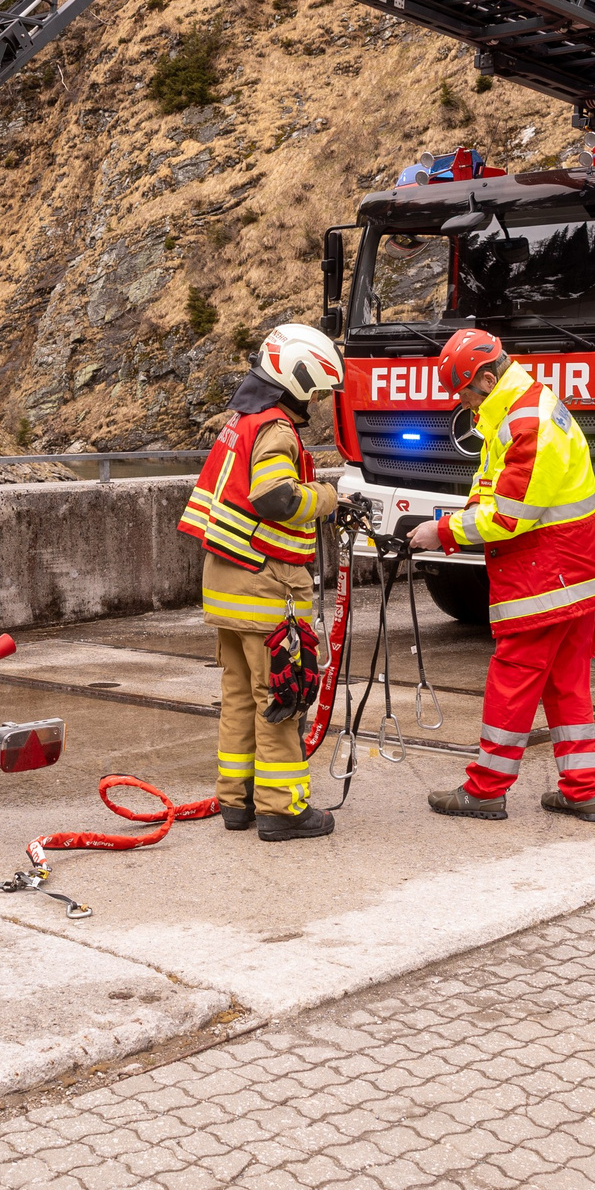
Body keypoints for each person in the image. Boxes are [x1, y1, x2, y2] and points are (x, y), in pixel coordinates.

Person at [411, 328, 595, 823]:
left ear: (486, 379)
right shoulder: (524, 407)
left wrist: (441, 532)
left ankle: (485, 790)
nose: (459, 402)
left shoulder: (524, 423)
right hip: (574, 572)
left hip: (546, 576)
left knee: (512, 680)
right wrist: (452, 520)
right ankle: (582, 790)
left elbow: (507, 518)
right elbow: (498, 493)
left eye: (463, 391)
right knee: (567, 683)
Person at [178, 322, 344, 843]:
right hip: (265, 586)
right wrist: (328, 498)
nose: (316, 402)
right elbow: (277, 497)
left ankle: (238, 801)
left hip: (226, 585)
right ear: (298, 380)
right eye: (317, 390)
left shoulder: (241, 422)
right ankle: (282, 809)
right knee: (281, 695)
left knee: (239, 697)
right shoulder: (275, 430)